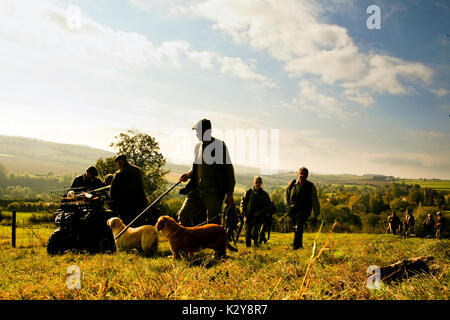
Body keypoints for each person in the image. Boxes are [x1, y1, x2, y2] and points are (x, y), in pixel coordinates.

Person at [178, 119, 236, 226]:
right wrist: (187, 175)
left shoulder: (219, 146)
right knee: (183, 216)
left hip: (214, 193)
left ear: (206, 130)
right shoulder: (197, 147)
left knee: (212, 224)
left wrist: (230, 193)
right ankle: (190, 241)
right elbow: (196, 169)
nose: (196, 134)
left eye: (198, 131)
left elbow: (229, 171)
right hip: (197, 191)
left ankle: (215, 242)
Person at [285, 167, 320, 250]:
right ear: (298, 174)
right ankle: (299, 246)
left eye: (304, 174)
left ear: (307, 175)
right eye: (301, 173)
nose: (302, 175)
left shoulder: (311, 186)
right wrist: (288, 207)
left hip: (304, 210)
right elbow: (286, 196)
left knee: (299, 226)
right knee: (296, 228)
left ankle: (295, 247)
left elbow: (315, 201)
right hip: (293, 210)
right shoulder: (291, 185)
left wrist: (315, 215)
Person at [110, 155, 149, 226]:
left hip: (125, 208)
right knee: (138, 227)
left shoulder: (118, 174)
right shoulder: (137, 171)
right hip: (138, 205)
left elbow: (112, 193)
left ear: (120, 162)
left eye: (118, 163)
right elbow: (141, 189)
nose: (118, 165)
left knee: (126, 230)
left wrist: (114, 206)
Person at [240, 176, 272, 248]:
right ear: (254, 183)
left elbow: (268, 206)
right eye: (256, 182)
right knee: (247, 233)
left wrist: (260, 212)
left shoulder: (264, 194)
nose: (257, 184)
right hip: (248, 216)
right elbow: (242, 202)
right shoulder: (248, 192)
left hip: (258, 217)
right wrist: (243, 211)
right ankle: (248, 248)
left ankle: (256, 246)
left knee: (254, 233)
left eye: (259, 182)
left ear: (261, 183)